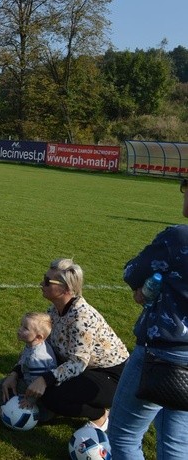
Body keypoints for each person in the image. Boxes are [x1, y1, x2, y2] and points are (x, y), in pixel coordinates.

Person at [108, 178, 188, 458]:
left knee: (123, 437)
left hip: (161, 354)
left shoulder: (179, 237)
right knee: (176, 445)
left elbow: (132, 271)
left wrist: (146, 288)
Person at [17, 259, 129, 431]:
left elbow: (78, 363)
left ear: (66, 289)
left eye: (48, 281)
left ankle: (99, 415)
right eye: (43, 278)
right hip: (83, 368)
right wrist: (15, 372)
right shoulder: (54, 311)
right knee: (44, 388)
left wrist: (45, 379)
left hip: (111, 375)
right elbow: (38, 346)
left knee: (52, 397)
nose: (41, 283)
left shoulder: (81, 318)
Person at [0, 312, 57, 425]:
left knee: (2, 385)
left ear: (38, 337)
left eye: (25, 328)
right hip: (32, 379)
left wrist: (30, 400)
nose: (20, 329)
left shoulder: (36, 358)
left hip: (32, 385)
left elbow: (36, 384)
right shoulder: (36, 345)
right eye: (21, 325)